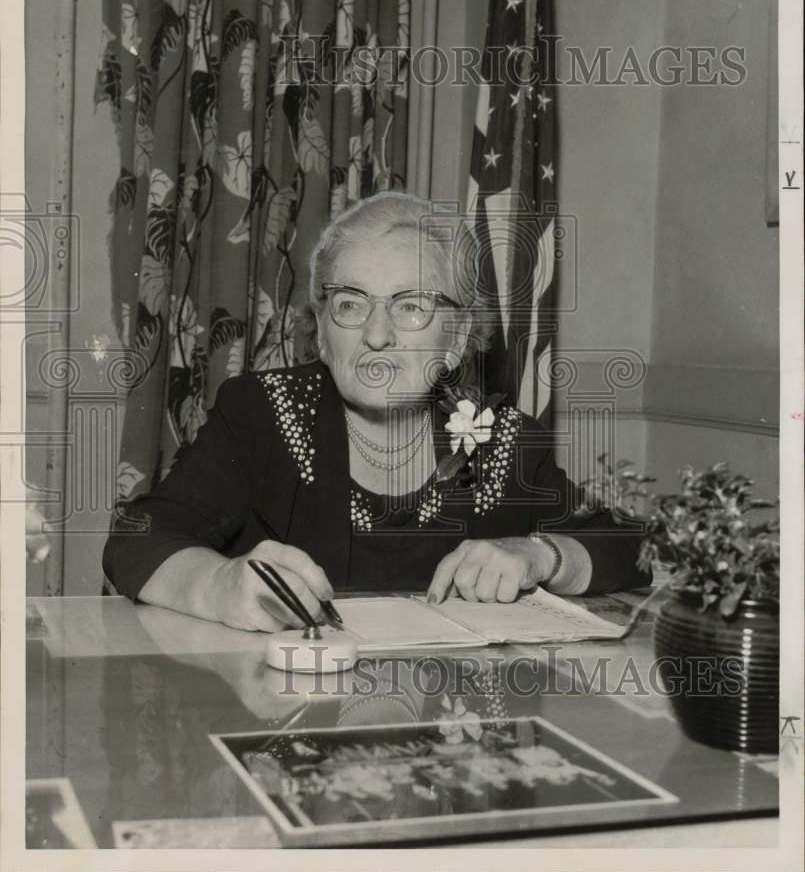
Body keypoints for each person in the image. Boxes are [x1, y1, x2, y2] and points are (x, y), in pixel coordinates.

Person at [103, 192, 650, 632]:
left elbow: (632, 545)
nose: (376, 334)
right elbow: (137, 537)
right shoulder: (261, 416)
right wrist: (219, 585)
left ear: (457, 338)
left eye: (411, 306)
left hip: (450, 739)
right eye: (350, 303)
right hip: (286, 723)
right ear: (320, 330)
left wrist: (540, 554)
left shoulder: (500, 440)